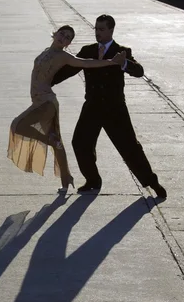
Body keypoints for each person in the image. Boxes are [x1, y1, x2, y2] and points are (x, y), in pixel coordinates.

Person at [51, 15, 167, 199]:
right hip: (92, 107)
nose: (98, 33)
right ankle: (93, 181)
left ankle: (152, 182)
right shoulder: (87, 50)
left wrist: (124, 63)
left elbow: (139, 71)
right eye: (96, 29)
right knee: (80, 143)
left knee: (130, 148)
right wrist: (46, 81)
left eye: (102, 29)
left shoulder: (121, 51)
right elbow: (69, 70)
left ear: (111, 30)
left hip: (115, 110)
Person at [7, 25, 126, 195]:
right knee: (53, 140)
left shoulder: (63, 56)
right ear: (55, 33)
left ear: (68, 43)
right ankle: (66, 178)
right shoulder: (46, 51)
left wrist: (110, 62)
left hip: (46, 102)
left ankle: (51, 141)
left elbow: (86, 63)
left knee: (17, 126)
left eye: (68, 37)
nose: (63, 37)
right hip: (37, 101)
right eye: (62, 33)